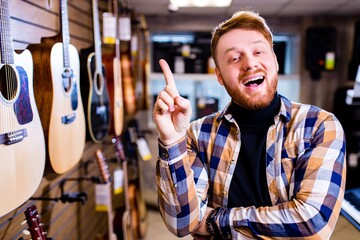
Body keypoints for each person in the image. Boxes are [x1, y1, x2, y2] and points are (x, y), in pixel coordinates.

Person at [152, 9, 346, 239]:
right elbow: (182, 224)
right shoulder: (198, 134)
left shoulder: (319, 126)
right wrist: (172, 140)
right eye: (234, 58)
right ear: (220, 76)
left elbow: (313, 223)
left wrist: (215, 220)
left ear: (274, 60)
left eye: (258, 51)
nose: (250, 63)